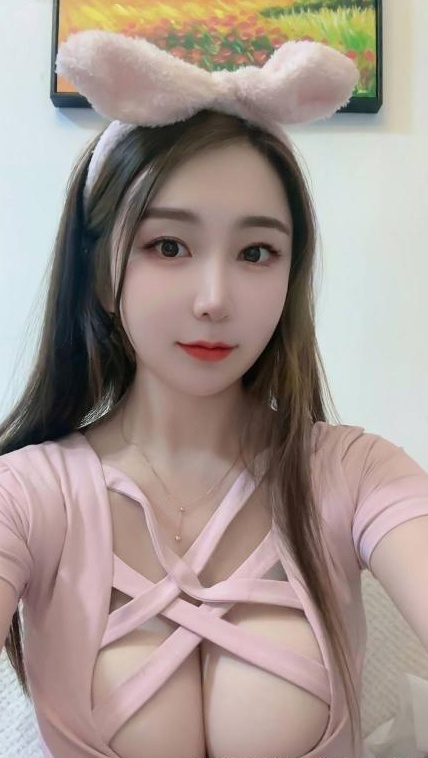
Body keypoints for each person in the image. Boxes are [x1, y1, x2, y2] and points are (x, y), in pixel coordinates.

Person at [0, 29, 427, 758]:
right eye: (168, 246)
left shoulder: (355, 475)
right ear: (101, 271)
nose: (215, 299)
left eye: (257, 252)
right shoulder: (28, 495)